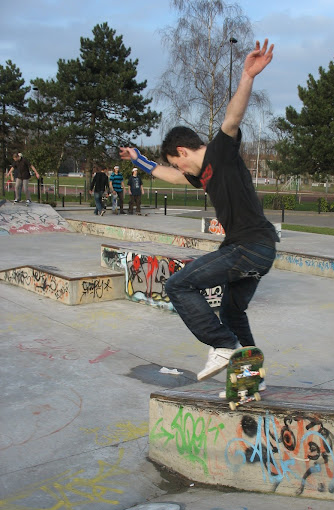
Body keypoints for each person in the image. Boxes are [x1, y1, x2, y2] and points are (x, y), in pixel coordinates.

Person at [120, 39, 277, 381]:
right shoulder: (203, 174)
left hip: (247, 248)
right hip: (258, 250)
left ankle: (222, 345)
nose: (183, 170)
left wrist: (247, 77)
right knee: (233, 313)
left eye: (180, 162)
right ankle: (250, 378)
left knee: (178, 285)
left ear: (182, 150)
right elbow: (173, 176)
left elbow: (233, 117)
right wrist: (140, 161)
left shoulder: (220, 151)